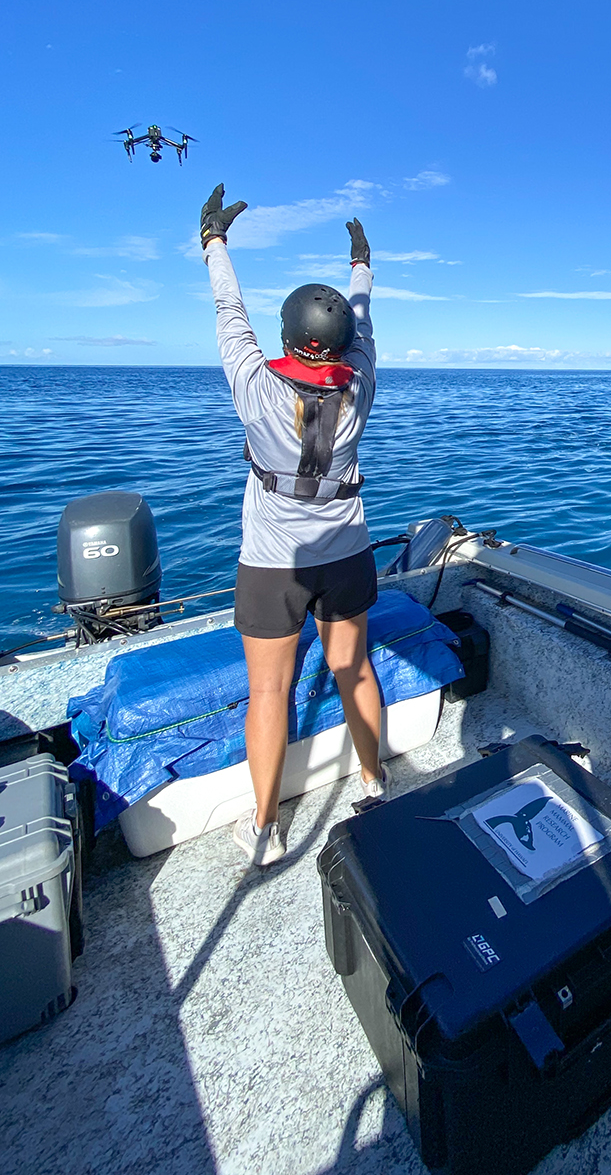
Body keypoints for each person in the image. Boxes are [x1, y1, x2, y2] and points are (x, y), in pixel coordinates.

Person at [201, 183, 385, 867]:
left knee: (269, 691)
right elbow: (362, 326)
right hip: (346, 554)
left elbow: (230, 313)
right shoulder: (359, 389)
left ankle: (264, 827)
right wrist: (360, 265)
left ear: (285, 339)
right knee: (352, 669)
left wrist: (214, 243)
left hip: (272, 562)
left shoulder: (252, 384)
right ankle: (373, 783)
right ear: (340, 345)